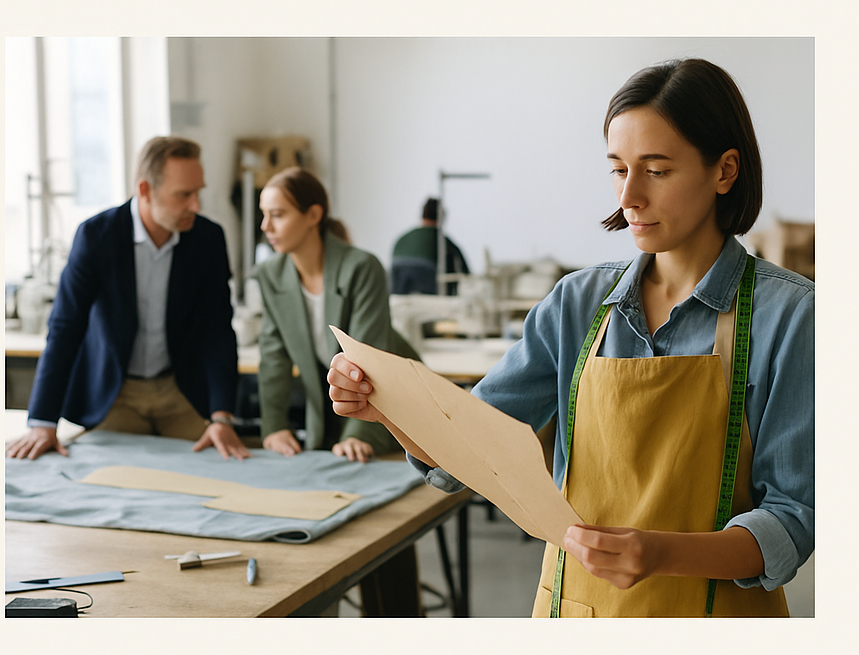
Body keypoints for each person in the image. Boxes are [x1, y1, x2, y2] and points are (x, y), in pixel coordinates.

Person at [329, 58, 814, 617]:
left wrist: (661, 553)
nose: (629, 196)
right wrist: (386, 409)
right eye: (618, 169)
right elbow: (468, 447)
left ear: (725, 171)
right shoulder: (576, 304)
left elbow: (792, 519)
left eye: (656, 171)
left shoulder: (789, 315)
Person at [6, 136, 247, 461]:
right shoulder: (96, 237)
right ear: (145, 190)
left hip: (180, 390)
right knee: (110, 475)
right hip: (116, 393)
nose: (196, 205)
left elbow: (217, 331)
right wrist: (43, 422)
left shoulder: (208, 238)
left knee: (213, 467)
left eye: (198, 192)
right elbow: (65, 328)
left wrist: (222, 416)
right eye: (184, 194)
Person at [256, 166, 423, 617]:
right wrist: (274, 427)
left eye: (277, 214)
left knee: (382, 528)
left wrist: (360, 435)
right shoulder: (270, 274)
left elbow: (367, 358)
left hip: (390, 411)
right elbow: (273, 355)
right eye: (263, 215)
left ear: (313, 215)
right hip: (329, 413)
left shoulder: (360, 266)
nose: (266, 226)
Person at [391, 197, 470, 295]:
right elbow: (465, 275)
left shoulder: (401, 240)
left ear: (423, 215)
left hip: (398, 296)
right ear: (442, 217)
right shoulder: (443, 243)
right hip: (432, 296)